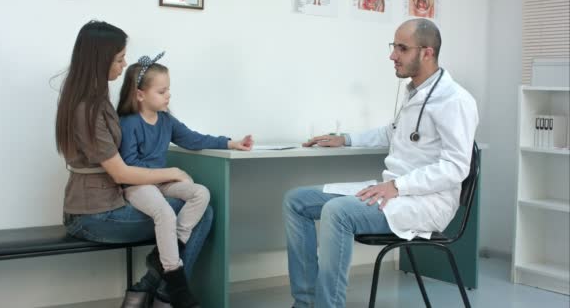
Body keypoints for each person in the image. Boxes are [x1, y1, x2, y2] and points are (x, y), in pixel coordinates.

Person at [283, 18, 478, 308]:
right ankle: (306, 303)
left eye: (401, 48)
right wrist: (345, 138)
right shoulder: (415, 92)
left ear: (427, 52)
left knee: (338, 212)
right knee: (296, 200)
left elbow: (455, 168)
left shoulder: (455, 100)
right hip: (393, 192)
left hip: (425, 203)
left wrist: (398, 186)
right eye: (394, 47)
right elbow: (392, 131)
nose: (392, 55)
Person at [55, 21, 210, 308]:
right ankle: (168, 291)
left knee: (197, 205)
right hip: (93, 215)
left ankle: (150, 287)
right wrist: (174, 172)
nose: (124, 64)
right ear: (99, 60)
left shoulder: (94, 99)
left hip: (101, 205)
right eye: (118, 58)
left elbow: (188, 136)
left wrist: (228, 142)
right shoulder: (87, 108)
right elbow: (120, 172)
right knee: (202, 214)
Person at [116, 51, 254, 307]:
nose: (168, 95)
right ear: (139, 95)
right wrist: (165, 177)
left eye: (168, 89)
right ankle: (175, 278)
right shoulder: (129, 123)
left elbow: (193, 139)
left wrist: (231, 143)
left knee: (200, 192)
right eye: (162, 91)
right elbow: (129, 165)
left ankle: (171, 250)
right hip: (137, 186)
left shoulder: (166, 120)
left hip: (160, 184)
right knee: (165, 213)